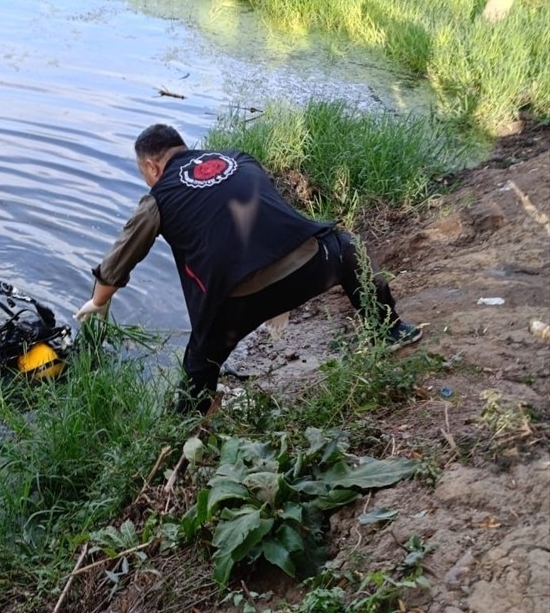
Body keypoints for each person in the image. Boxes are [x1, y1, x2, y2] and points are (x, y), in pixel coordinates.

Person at [75, 124, 421, 413]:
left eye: (144, 176)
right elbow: (270, 215)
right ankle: (390, 330)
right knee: (350, 248)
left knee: (199, 363)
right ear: (183, 149)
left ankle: (187, 428)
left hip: (237, 302)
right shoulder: (238, 158)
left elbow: (120, 260)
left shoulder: (159, 197)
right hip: (309, 267)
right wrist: (284, 295)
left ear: (152, 167)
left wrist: (99, 301)